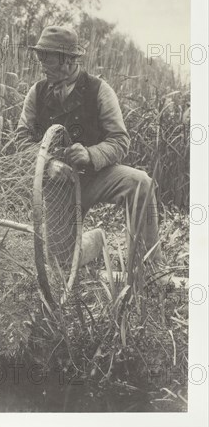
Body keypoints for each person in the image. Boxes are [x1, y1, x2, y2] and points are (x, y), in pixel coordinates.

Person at [15, 25, 164, 274]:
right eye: (39, 56)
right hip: (58, 183)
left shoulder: (99, 90)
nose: (40, 63)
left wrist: (90, 154)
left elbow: (119, 140)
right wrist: (49, 163)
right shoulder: (37, 92)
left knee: (140, 183)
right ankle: (96, 240)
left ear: (67, 59)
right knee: (61, 265)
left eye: (46, 57)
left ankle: (149, 267)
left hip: (97, 176)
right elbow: (21, 140)